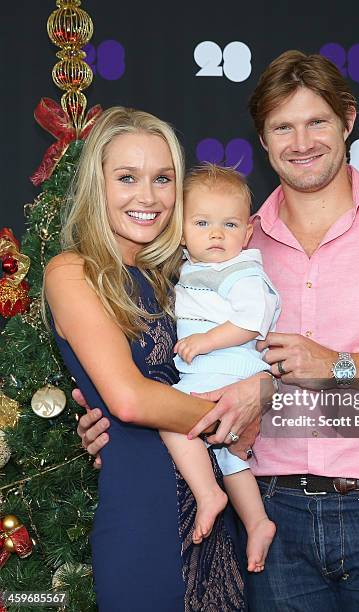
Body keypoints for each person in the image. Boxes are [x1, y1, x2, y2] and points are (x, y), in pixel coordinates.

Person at [77, 52, 359, 611]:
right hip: (269, 516)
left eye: (317, 122)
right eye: (283, 126)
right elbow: (164, 362)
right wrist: (111, 421)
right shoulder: (230, 242)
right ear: (262, 137)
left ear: (348, 120)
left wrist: (341, 364)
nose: (301, 141)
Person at [44, 107, 247, 611]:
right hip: (146, 515)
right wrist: (234, 416)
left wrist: (255, 396)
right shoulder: (74, 272)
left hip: (223, 509)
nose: (147, 197)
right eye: (127, 178)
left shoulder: (183, 276)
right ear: (98, 184)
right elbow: (130, 400)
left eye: (163, 179)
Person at [161, 163, 278, 571]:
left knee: (166, 411)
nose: (215, 234)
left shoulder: (241, 270)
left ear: (247, 234)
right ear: (181, 230)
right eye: (202, 222)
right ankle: (258, 521)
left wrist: (205, 340)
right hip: (217, 371)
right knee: (232, 455)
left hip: (226, 367)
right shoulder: (193, 266)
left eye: (229, 224)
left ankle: (208, 493)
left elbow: (252, 321)